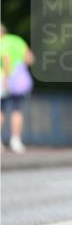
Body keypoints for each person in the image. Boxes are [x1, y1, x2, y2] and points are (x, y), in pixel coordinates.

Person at [0, 22, 34, 154]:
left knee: (1, 110)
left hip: (4, 80)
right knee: (17, 110)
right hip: (20, 82)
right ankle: (16, 140)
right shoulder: (17, 40)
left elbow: (6, 59)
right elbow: (30, 58)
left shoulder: (3, 43)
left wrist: (8, 79)